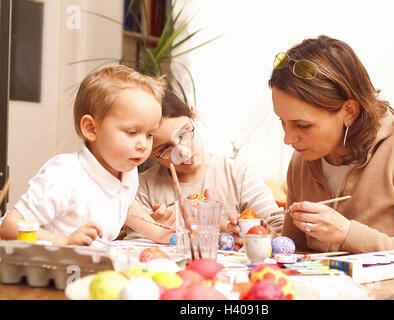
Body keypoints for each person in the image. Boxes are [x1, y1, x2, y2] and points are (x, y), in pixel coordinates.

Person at [231, 35, 394, 266]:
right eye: (282, 121)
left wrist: (348, 234)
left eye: (303, 125)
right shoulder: (302, 160)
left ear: (349, 111)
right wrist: (257, 238)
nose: (288, 139)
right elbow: (295, 253)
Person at [0, 65, 174, 246]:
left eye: (149, 134)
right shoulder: (64, 175)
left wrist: (160, 233)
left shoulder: (126, 171)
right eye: (131, 132)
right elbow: (10, 228)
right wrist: (65, 241)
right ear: (91, 128)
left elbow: (125, 205)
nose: (143, 145)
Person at [124, 89, 284, 244]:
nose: (183, 152)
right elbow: (133, 248)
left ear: (193, 116)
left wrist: (224, 226)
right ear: (150, 152)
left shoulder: (238, 175)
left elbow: (281, 234)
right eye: (165, 148)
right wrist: (154, 230)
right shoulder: (140, 188)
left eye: (184, 134)